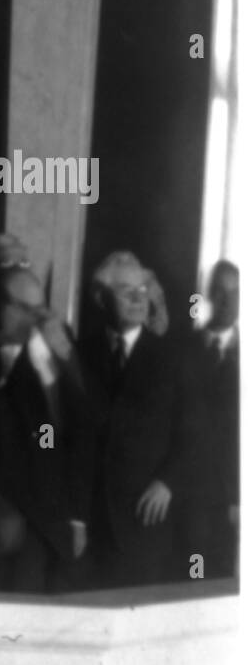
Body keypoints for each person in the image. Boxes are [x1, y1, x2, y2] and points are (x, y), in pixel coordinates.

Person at [0, 267, 94, 592]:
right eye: (24, 309)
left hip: (49, 518)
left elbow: (78, 432)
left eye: (39, 311)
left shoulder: (54, 351)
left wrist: (76, 516)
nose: (34, 320)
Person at [80, 251, 196, 588]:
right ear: (101, 298)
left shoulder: (173, 359)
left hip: (145, 518)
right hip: (90, 519)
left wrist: (167, 482)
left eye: (142, 290)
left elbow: (196, 433)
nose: (137, 298)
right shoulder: (80, 353)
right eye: (125, 290)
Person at [179, 260, 239, 579]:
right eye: (221, 291)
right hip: (190, 493)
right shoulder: (186, 350)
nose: (229, 300)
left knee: (224, 579)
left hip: (232, 498)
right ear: (209, 296)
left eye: (236, 292)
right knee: (193, 572)